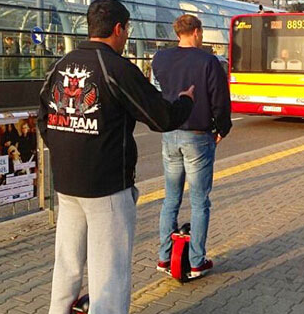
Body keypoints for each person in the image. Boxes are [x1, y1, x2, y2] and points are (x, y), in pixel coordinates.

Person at [38, 1, 194, 313]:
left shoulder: (61, 65)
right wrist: (185, 102)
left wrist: (65, 150)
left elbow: (43, 116)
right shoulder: (118, 69)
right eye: (128, 31)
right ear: (119, 29)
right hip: (107, 189)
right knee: (109, 271)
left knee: (67, 263)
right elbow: (161, 117)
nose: (126, 37)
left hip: (66, 187)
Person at [152, 14, 232, 279]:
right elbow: (220, 99)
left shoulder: (160, 59)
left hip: (170, 135)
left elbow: (157, 91)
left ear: (178, 33)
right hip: (198, 137)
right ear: (196, 32)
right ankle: (197, 260)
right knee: (199, 201)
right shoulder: (208, 61)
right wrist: (222, 128)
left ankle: (164, 258)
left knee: (170, 198)